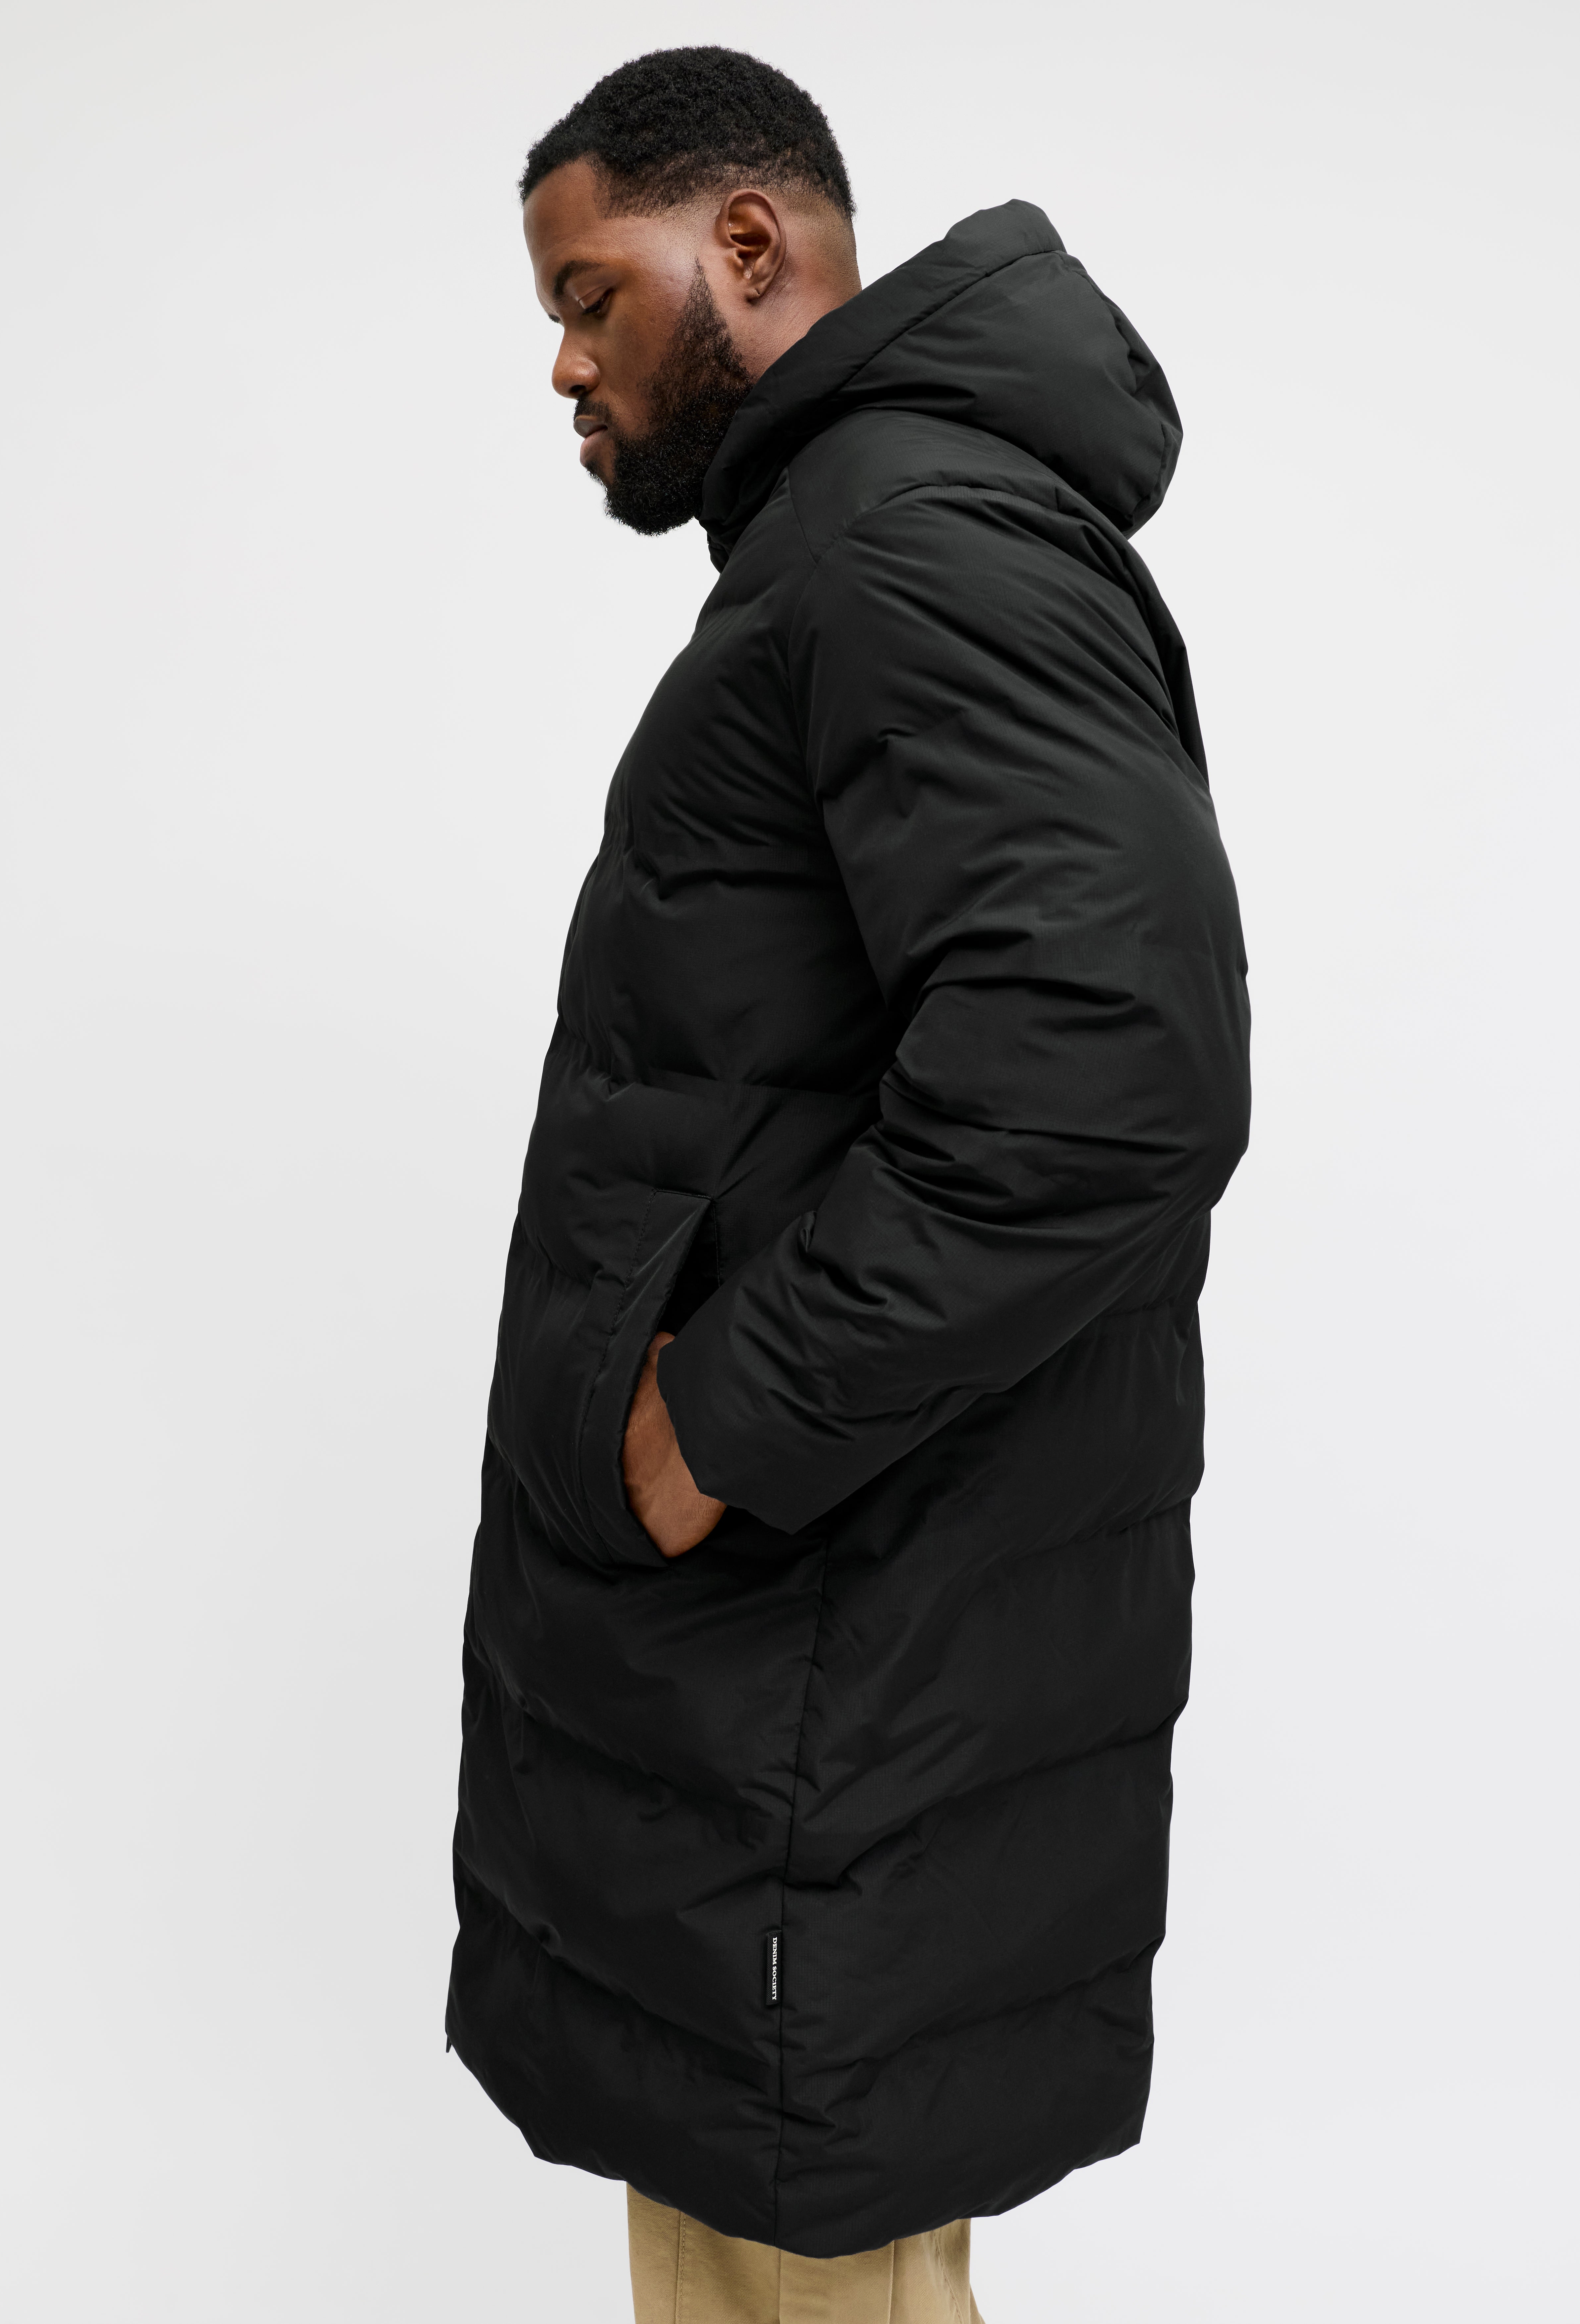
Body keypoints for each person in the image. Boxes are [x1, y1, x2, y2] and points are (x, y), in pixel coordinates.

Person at [446, 46, 1250, 2324]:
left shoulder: (903, 539)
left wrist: (714, 1425)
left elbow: (1107, 1072)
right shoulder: (854, 539)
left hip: (831, 1673)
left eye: (590, 299)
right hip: (784, 1692)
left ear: (750, 244)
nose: (569, 368)